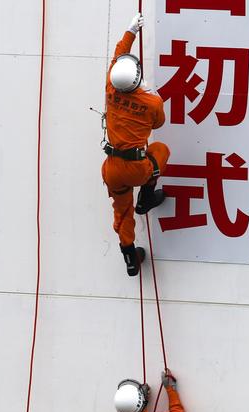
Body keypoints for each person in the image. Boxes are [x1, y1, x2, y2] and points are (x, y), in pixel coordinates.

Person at [102, 12, 169, 276]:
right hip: (137, 166)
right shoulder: (151, 103)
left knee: (122, 211)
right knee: (161, 151)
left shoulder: (110, 86)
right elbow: (158, 125)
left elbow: (117, 56)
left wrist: (130, 31)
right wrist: (151, 100)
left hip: (112, 168)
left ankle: (129, 255)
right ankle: (148, 195)